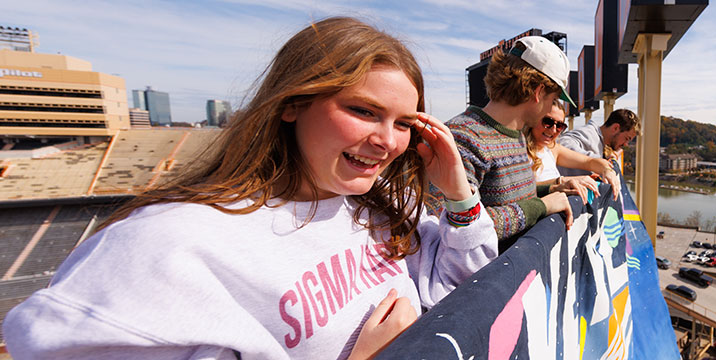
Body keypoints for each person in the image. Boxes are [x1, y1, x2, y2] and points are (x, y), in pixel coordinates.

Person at [3, 17, 496, 360]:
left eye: (403, 122)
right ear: (292, 104)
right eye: (363, 111)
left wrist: (457, 192)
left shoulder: (379, 211)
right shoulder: (172, 244)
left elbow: (471, 285)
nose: (387, 140)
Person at [431, 36, 580, 247]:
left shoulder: (515, 134)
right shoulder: (462, 139)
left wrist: (553, 189)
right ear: (538, 92)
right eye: (552, 99)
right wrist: (541, 206)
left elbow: (505, 199)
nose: (550, 109)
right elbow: (447, 227)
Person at [525, 100, 621, 200]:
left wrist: (607, 170)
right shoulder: (519, 150)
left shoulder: (552, 149)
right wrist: (561, 181)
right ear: (534, 118)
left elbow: (588, 162)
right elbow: (519, 190)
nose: (553, 130)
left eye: (559, 126)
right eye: (548, 122)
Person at [556, 108, 639, 177]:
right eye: (626, 138)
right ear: (615, 128)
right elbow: (561, 144)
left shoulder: (601, 143)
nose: (625, 144)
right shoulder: (588, 134)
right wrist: (598, 162)